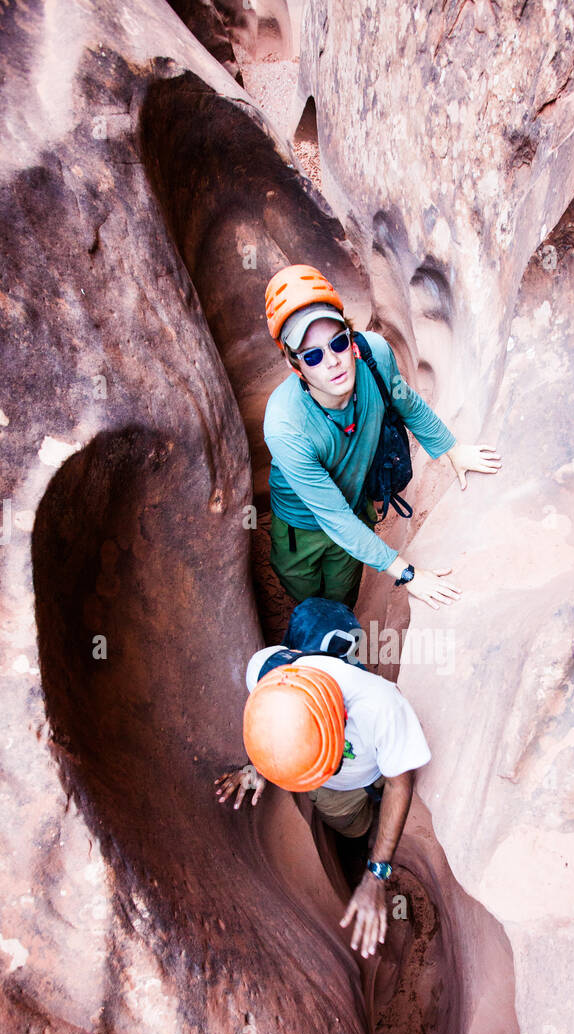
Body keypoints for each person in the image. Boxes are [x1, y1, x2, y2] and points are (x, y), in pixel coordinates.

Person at [263, 264, 501, 610]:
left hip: (355, 504)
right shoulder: (285, 425)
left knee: (343, 592)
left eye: (338, 342)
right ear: (294, 365)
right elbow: (335, 518)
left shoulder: (374, 354)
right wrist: (410, 575)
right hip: (303, 524)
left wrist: (453, 450)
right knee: (308, 595)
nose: (332, 361)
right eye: (313, 355)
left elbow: (407, 404)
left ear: (350, 336)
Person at [215, 637, 431, 959]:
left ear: (339, 724)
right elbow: (270, 719)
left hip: (377, 771)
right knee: (353, 829)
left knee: (372, 810)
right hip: (336, 793)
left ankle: (368, 837)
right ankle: (361, 835)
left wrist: (377, 874)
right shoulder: (269, 672)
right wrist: (259, 764)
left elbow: (400, 785)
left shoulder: (381, 707)